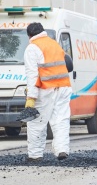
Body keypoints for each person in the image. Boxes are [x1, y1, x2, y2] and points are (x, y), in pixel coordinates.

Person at [24, 22, 72, 161]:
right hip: (63, 86)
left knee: (36, 121)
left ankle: (35, 155)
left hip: (45, 89)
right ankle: (62, 149)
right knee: (60, 120)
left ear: (30, 35)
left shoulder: (32, 48)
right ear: (43, 31)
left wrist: (31, 97)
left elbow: (32, 74)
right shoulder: (54, 44)